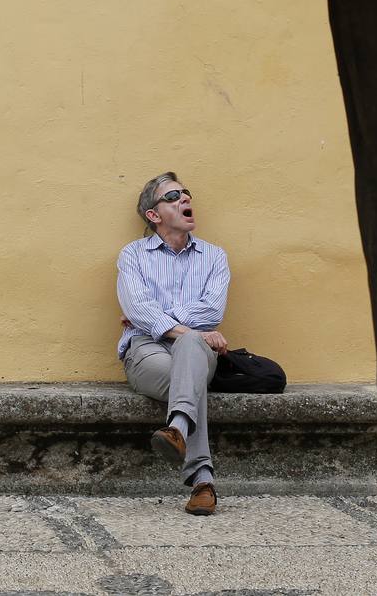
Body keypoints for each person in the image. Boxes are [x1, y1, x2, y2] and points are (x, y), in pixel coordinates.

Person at [116, 172, 230, 516]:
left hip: (194, 350)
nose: (185, 199)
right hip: (144, 353)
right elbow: (137, 309)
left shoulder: (214, 256)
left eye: (186, 194)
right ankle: (202, 479)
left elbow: (213, 308)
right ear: (153, 215)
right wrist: (189, 329)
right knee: (191, 365)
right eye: (173, 196)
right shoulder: (132, 255)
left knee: (191, 351)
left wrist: (161, 320)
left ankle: (177, 429)